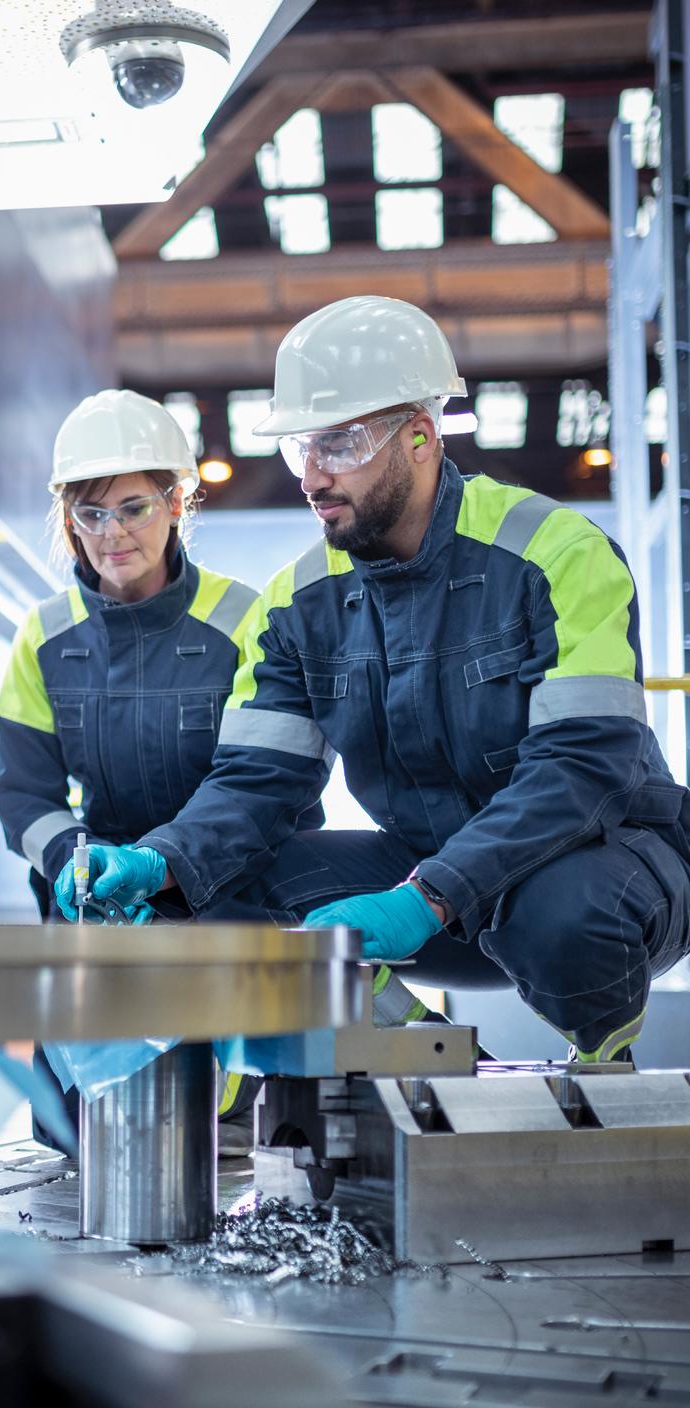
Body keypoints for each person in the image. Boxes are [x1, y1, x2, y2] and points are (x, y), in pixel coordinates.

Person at [54, 296, 690, 1064]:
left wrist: (429, 896)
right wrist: (161, 859)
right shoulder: (297, 602)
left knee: (562, 911)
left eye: (339, 442)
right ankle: (439, 1058)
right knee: (214, 894)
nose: (312, 475)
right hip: (427, 886)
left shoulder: (555, 552)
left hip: (604, 869)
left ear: (421, 436)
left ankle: (605, 1078)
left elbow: (586, 769)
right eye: (299, 448)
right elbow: (257, 783)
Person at [0, 388, 295, 1143]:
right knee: (73, 1134)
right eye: (89, 513)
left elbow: (269, 785)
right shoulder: (45, 636)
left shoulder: (242, 620)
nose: (111, 533)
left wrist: (165, 866)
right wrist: (72, 857)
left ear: (176, 502)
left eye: (132, 507)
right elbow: (22, 791)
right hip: (102, 905)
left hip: (231, 895)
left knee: (235, 1132)